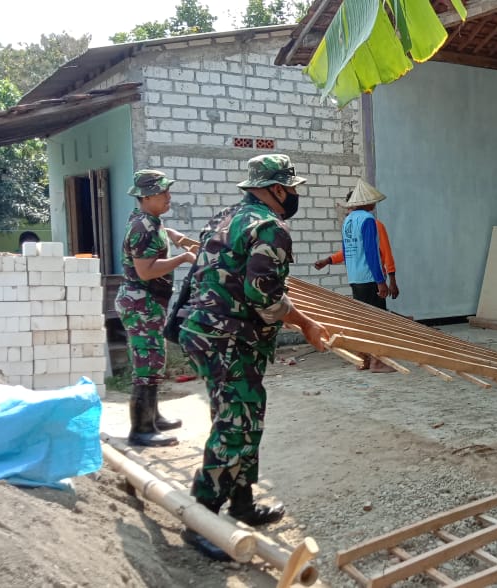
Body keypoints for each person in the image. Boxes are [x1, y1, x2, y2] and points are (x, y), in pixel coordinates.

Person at [178, 154, 326, 561]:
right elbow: (264, 295)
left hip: (206, 332)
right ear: (277, 189)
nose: (294, 196)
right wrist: (307, 324)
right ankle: (202, 517)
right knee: (235, 422)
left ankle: (241, 502)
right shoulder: (270, 227)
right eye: (292, 188)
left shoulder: (225, 217)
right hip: (230, 338)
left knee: (242, 414)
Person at [116, 170, 196, 447]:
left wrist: (173, 236)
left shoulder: (150, 222)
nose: (168, 197)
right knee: (147, 364)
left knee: (154, 360)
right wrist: (182, 258)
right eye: (163, 193)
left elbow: (158, 235)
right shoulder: (143, 227)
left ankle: (153, 417)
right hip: (142, 302)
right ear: (147, 196)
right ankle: (141, 429)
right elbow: (146, 271)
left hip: (147, 303)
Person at [334, 178, 395, 373]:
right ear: (365, 201)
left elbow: (345, 251)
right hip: (369, 277)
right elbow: (371, 252)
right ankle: (378, 361)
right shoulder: (368, 220)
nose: (374, 204)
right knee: (377, 321)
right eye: (372, 201)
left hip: (354, 277)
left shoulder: (348, 221)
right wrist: (381, 281)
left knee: (362, 320)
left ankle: (363, 358)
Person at [313, 190, 400, 300]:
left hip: (354, 279)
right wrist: (385, 280)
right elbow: (376, 253)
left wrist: (328, 260)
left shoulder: (348, 221)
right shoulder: (371, 222)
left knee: (363, 314)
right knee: (375, 316)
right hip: (371, 279)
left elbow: (349, 249)